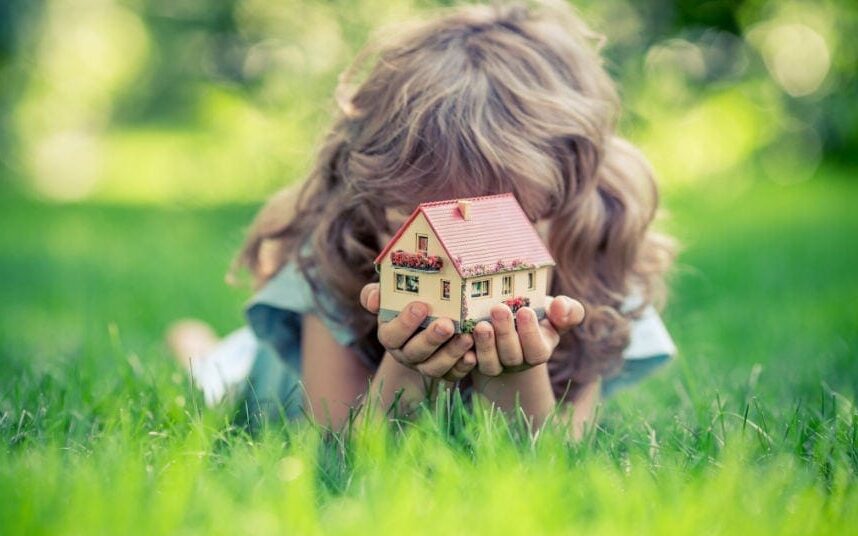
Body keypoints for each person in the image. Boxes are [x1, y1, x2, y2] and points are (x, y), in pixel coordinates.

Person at [168, 1, 676, 439]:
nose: (456, 260)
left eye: (492, 224)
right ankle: (198, 345)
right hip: (266, 376)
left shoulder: (594, 274)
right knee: (213, 374)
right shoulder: (338, 260)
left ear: (567, 198)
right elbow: (341, 450)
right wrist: (407, 369)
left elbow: (544, 460)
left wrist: (517, 371)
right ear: (374, 193)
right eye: (422, 221)